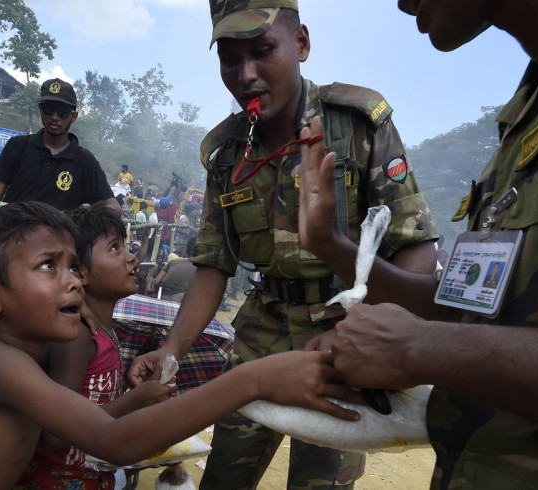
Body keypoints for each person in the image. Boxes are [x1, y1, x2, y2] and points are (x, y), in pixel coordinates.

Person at [127, 1, 439, 488]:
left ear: (301, 44)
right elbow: (213, 265)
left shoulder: (356, 124)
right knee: (226, 475)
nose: (246, 74)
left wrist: (363, 329)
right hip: (261, 336)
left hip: (346, 339)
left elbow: (415, 248)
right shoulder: (227, 154)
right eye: (230, 58)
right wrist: (171, 350)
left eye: (263, 50)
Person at [295, 0, 538, 487]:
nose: (400, 2)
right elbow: (467, 310)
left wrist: (422, 349)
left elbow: (447, 336)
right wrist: (332, 245)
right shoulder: (533, 103)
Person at [0, 200, 357, 490]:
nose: (74, 281)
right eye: (49, 266)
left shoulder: (7, 362)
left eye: (74, 266)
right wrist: (252, 379)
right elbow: (110, 440)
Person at [15, 205, 171, 489]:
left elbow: (90, 399)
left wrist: (127, 388)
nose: (131, 257)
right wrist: (135, 401)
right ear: (83, 272)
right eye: (115, 248)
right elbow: (54, 434)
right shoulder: (77, 336)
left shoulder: (104, 331)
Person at [0, 78, 120, 215]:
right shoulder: (18, 146)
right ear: (40, 110)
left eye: (62, 112)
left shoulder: (84, 161)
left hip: (56, 235)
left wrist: (77, 214)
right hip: (11, 231)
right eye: (48, 109)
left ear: (73, 117)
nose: (54, 117)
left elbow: (114, 209)